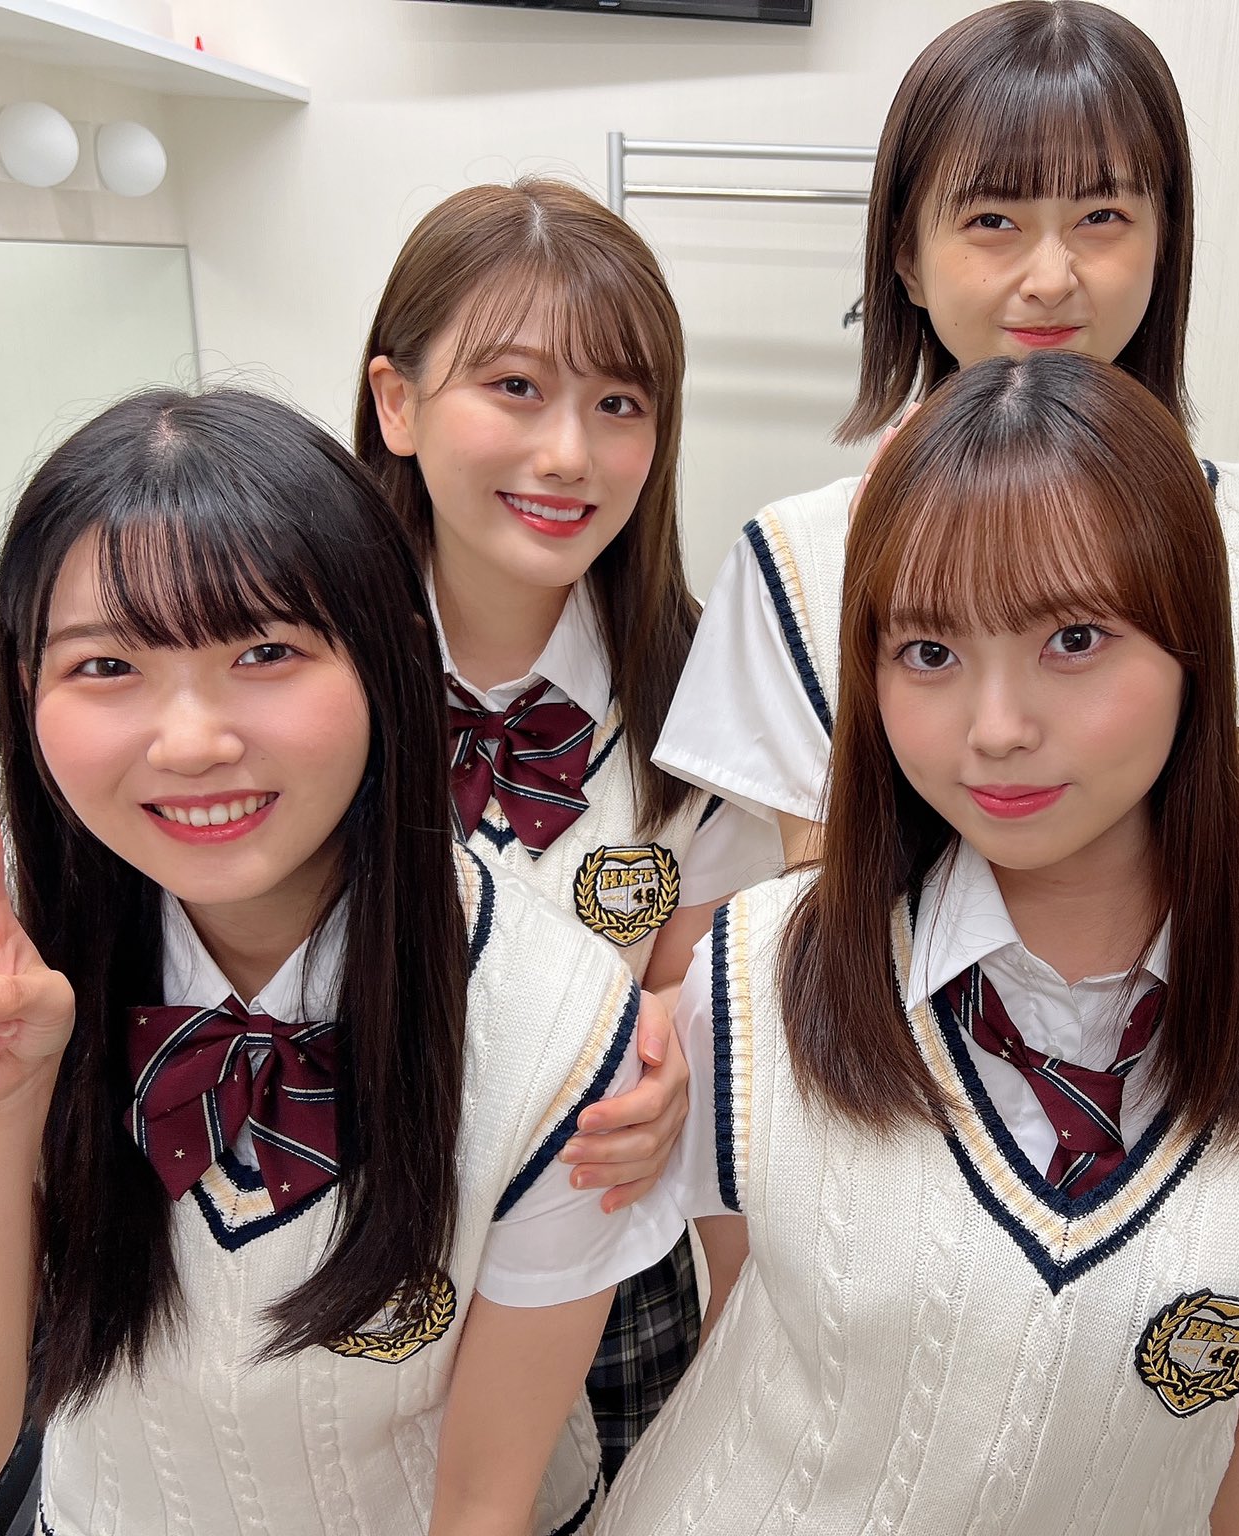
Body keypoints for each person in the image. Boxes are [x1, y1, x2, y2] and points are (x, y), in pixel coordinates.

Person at [0, 390, 679, 1535]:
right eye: (107, 665)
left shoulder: (558, 1018)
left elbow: (483, 1502)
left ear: (391, 662)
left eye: (266, 651)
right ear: (24, 690)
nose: (193, 742)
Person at [601, 354, 1239, 1536]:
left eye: (1073, 638)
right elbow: (748, 1331)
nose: (995, 729)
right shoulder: (756, 978)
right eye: (929, 653)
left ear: (1194, 649)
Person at [655, 0, 1239, 927]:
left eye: (1102, 216)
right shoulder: (796, 562)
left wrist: (1182, 712)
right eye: (993, 219)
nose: (1052, 277)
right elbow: (839, 918)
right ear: (908, 259)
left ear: (1164, 241)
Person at [356, 178, 775, 1471]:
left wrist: (676, 1071)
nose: (568, 456)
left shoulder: (703, 697)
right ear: (396, 403)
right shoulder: (290, 672)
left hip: (600, 1275)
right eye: (516, 387)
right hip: (334, 1239)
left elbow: (697, 998)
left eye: (618, 404)